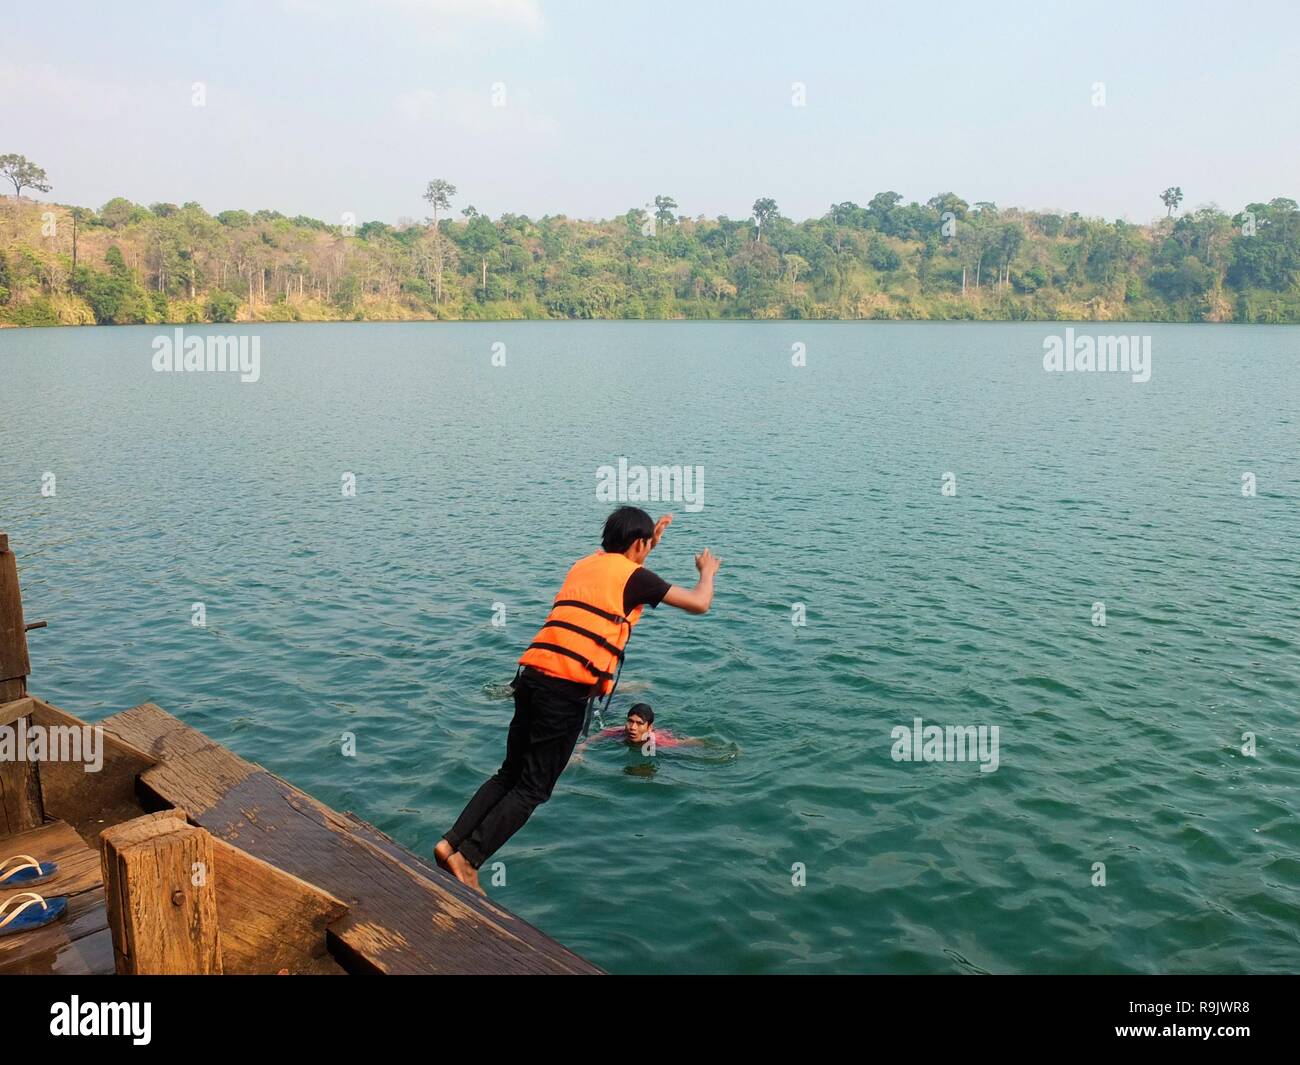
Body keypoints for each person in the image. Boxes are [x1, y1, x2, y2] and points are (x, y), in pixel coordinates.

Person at [435, 506, 721, 892]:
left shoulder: (585, 564)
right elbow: (699, 603)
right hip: (564, 691)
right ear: (638, 545)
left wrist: (650, 540)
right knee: (533, 788)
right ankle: (468, 860)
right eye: (646, 545)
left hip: (531, 677)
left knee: (509, 773)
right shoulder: (635, 577)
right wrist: (707, 572)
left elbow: (624, 569)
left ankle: (450, 842)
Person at [571, 703, 701, 762]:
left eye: (639, 723)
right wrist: (580, 750)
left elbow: (684, 743)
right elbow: (594, 738)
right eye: (630, 721)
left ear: (649, 727)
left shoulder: (659, 740)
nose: (632, 727)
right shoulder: (619, 731)